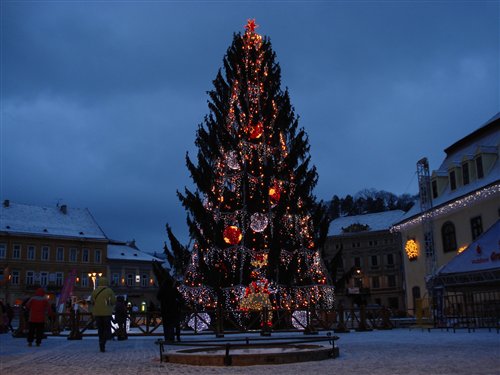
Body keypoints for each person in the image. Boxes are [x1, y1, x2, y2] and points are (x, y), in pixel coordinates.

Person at [90, 277, 116, 352]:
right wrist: (108, 303)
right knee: (106, 329)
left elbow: (91, 301)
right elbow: (113, 301)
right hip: (107, 313)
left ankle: (101, 342)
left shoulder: (95, 291)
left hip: (97, 313)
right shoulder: (109, 291)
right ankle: (103, 342)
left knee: (100, 329)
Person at [157, 277, 183, 343]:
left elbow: (158, 297)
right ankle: (172, 338)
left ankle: (167, 338)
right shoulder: (173, 289)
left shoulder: (162, 289)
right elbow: (180, 297)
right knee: (172, 324)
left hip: (165, 310)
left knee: (166, 325)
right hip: (173, 310)